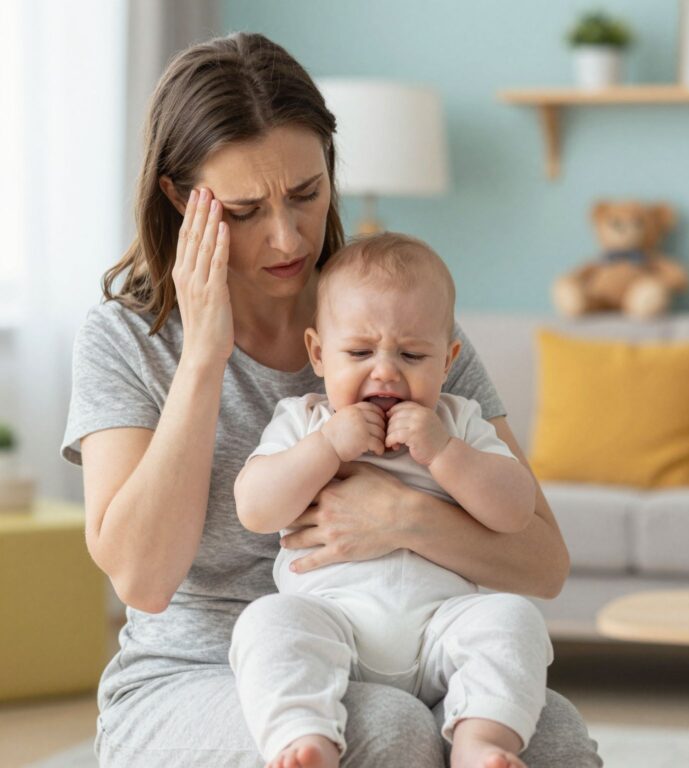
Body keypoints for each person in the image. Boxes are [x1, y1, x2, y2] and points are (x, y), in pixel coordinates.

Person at [60, 32, 601, 768]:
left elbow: (543, 565)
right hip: (192, 679)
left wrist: (402, 518)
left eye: (307, 194)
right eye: (245, 210)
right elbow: (144, 582)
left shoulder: (402, 328)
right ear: (182, 200)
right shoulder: (126, 337)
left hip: (406, 653)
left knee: (555, 735)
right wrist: (203, 358)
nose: (286, 237)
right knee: (388, 731)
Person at [231, 233, 551, 768]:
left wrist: (446, 453)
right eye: (359, 352)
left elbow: (516, 509)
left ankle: (481, 742)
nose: (385, 371)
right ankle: (303, 737)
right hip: (332, 626)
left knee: (513, 619)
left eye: (412, 354)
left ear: (447, 360)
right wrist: (328, 447)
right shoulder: (305, 420)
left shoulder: (459, 421)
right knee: (268, 622)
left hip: (441, 632)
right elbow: (256, 509)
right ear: (318, 354)